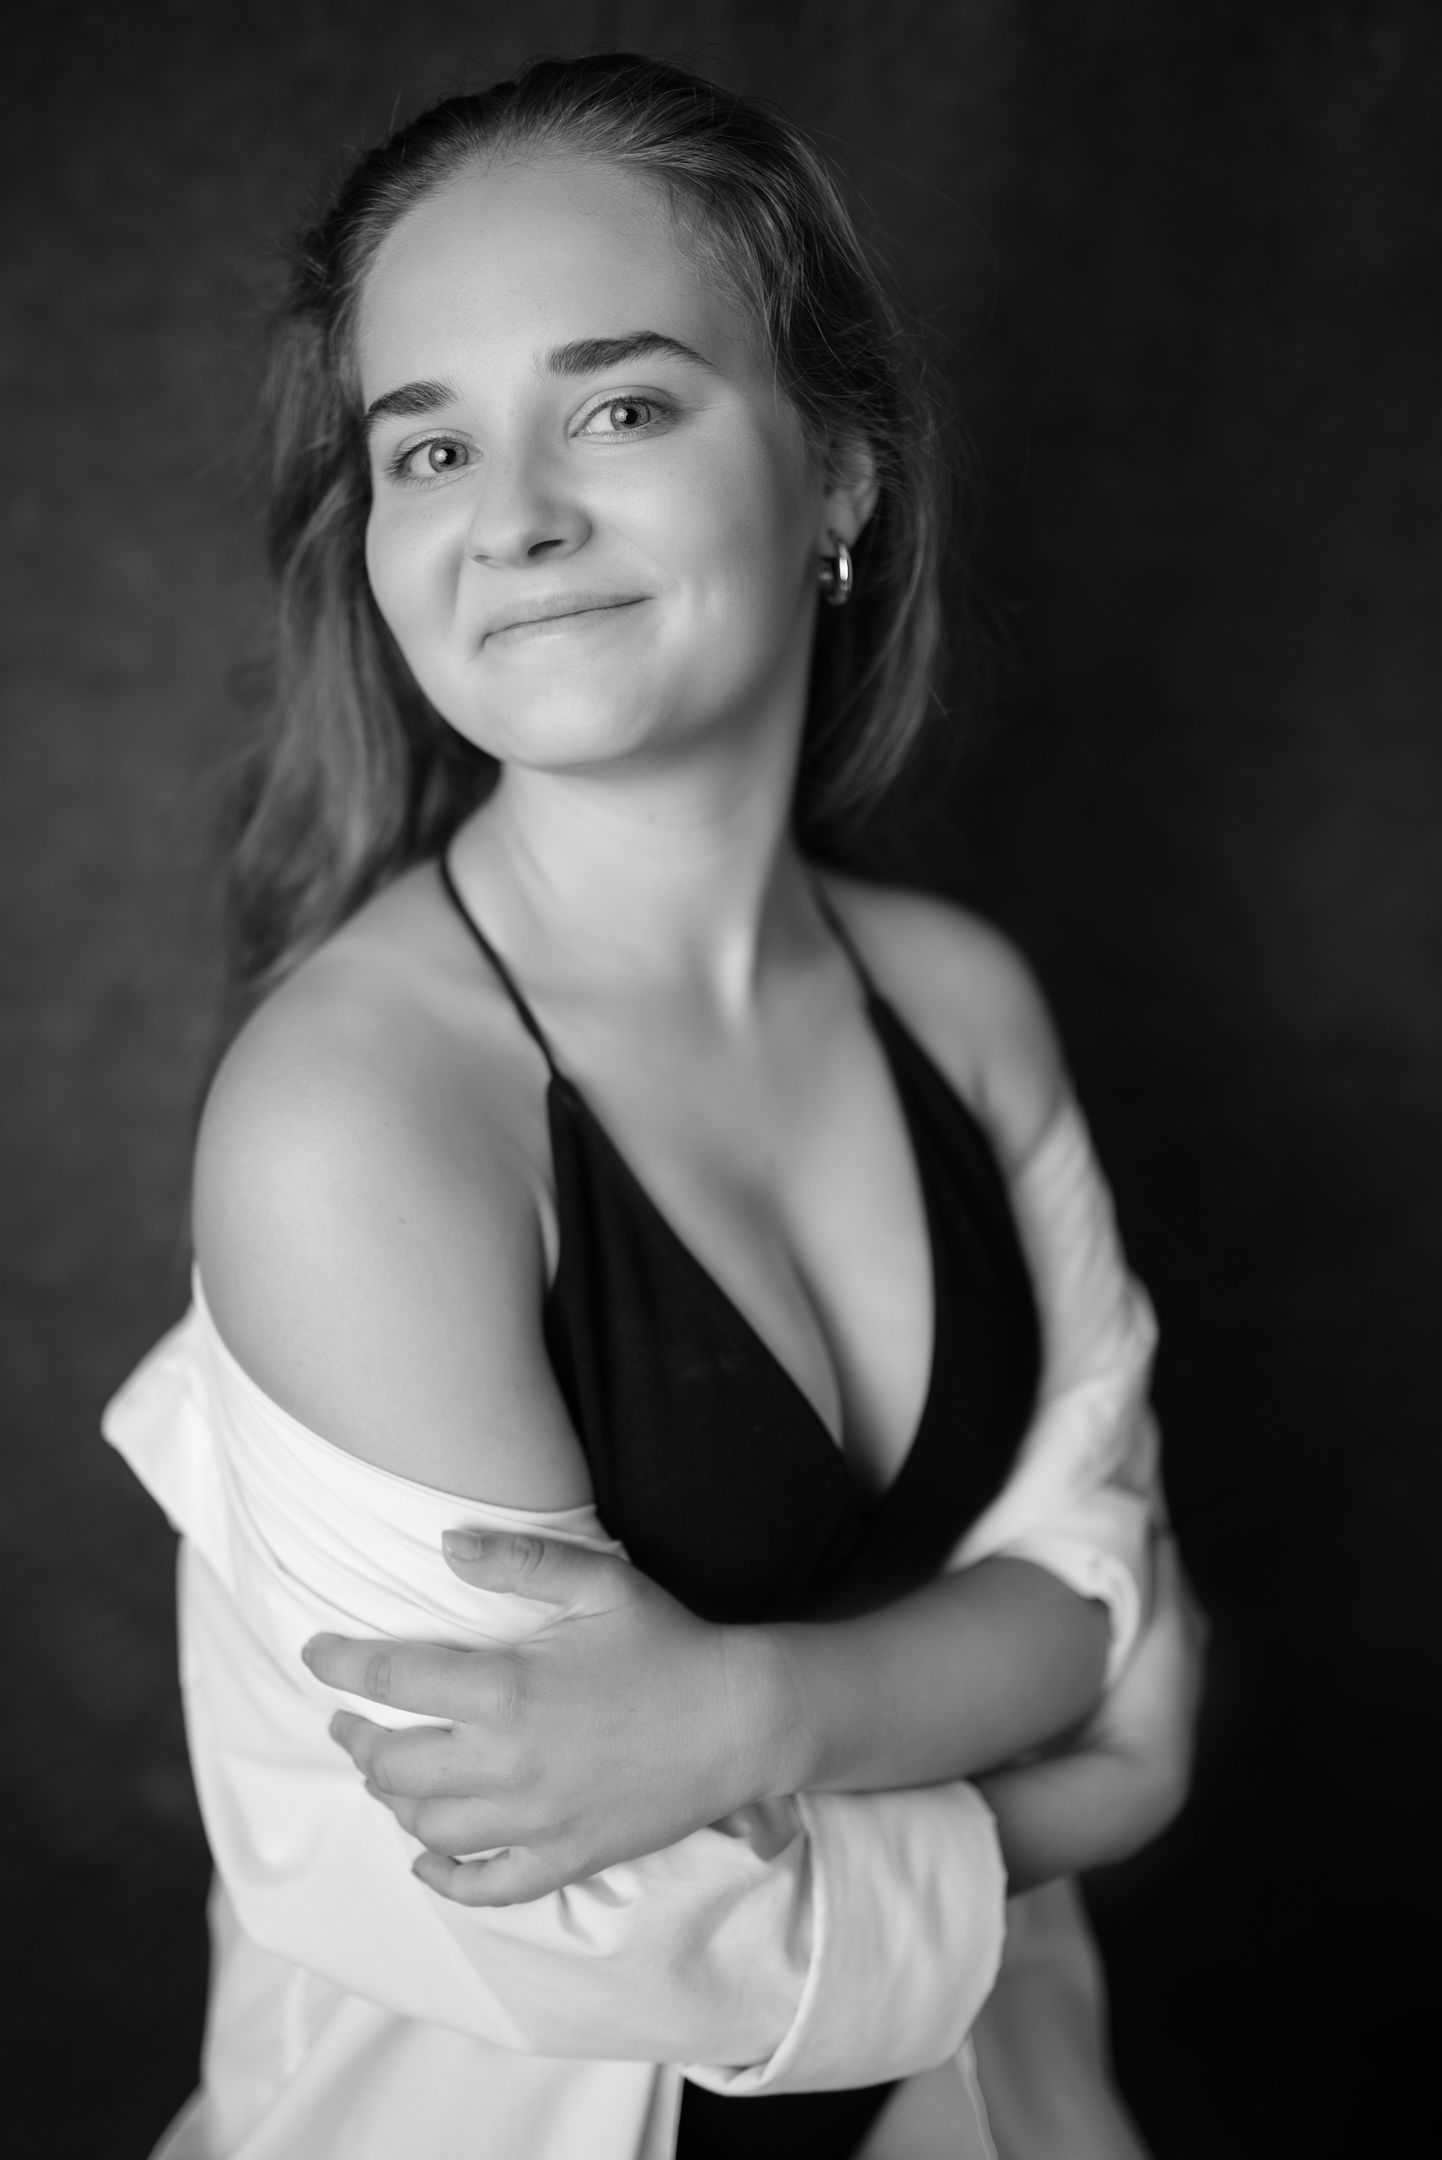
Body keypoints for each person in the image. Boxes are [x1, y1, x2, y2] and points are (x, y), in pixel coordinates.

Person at [104, 52, 1203, 2160]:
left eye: (617, 406)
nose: (511, 514)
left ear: (839, 476)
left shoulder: (961, 1005)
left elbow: (1101, 1582)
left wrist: (749, 1714)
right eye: (429, 446)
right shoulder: (354, 1120)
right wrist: (1074, 1803)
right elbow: (557, 1902)